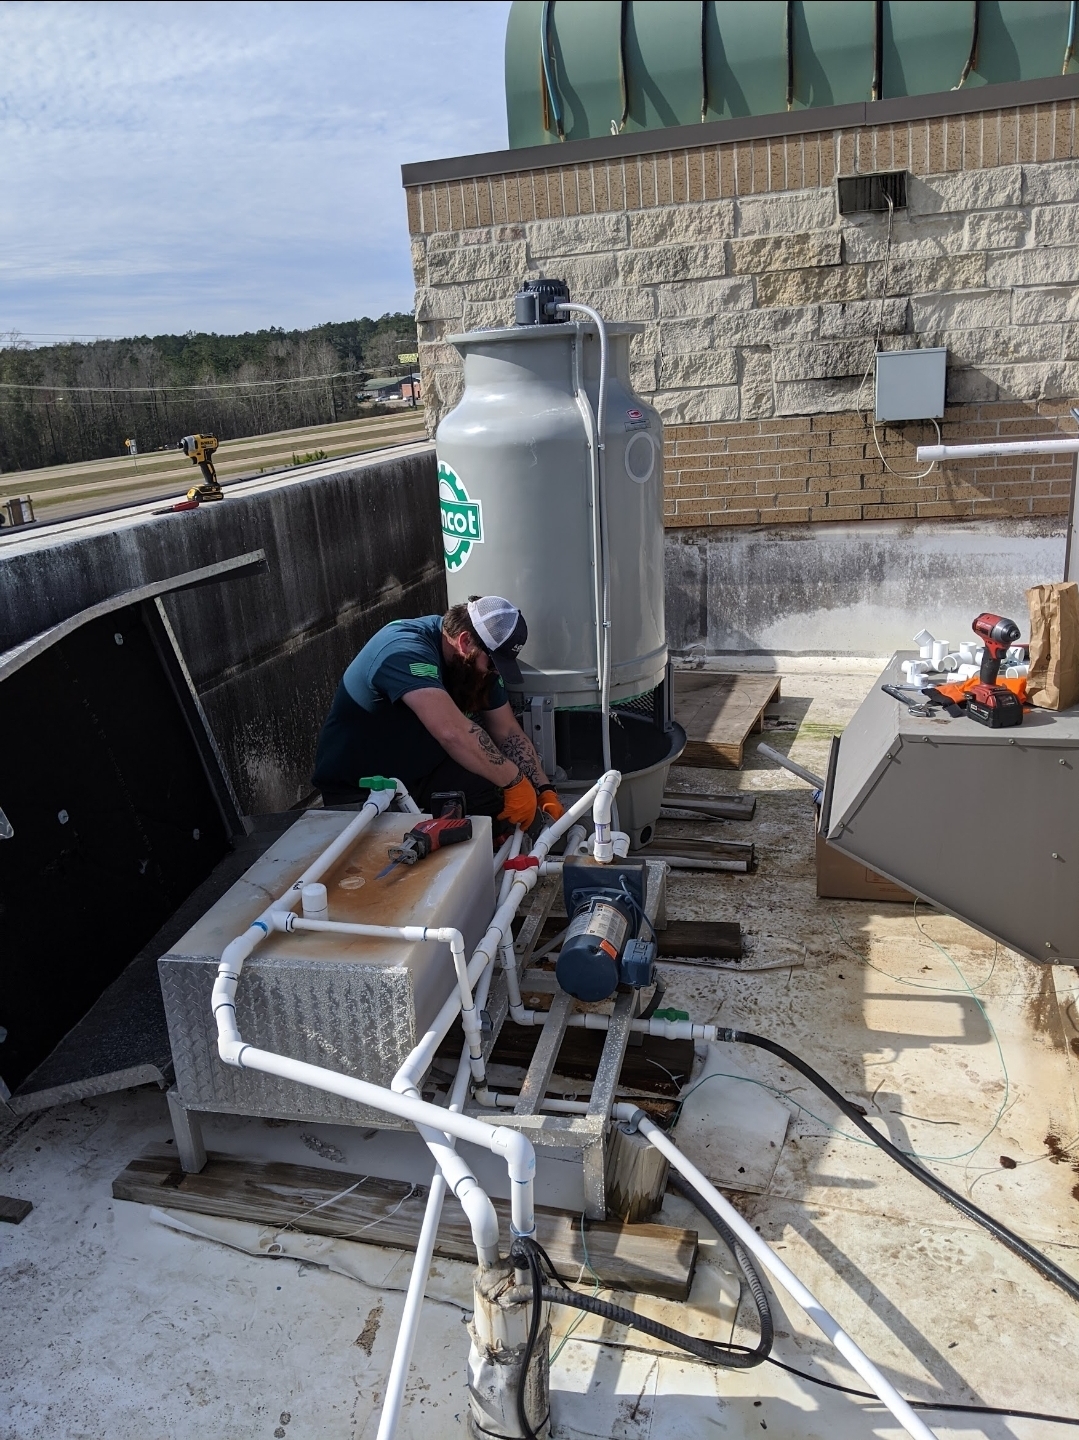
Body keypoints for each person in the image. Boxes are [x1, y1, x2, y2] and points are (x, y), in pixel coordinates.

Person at [312, 595, 563, 832]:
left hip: (424, 770)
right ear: (465, 641)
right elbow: (452, 732)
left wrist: (543, 789)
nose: (494, 673)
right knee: (396, 857)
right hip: (363, 787)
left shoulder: (473, 663)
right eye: (493, 664)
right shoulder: (404, 650)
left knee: (493, 798)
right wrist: (514, 780)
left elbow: (507, 731)